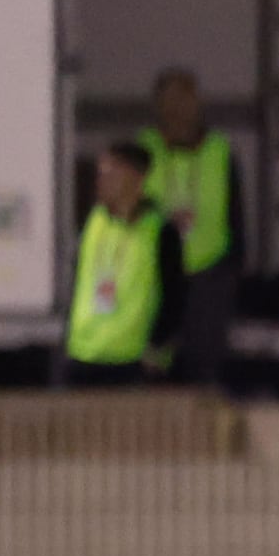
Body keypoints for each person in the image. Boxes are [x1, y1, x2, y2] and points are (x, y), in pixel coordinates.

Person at [143, 66, 244, 389]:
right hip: (156, 278)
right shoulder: (144, 150)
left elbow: (237, 221)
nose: (177, 112)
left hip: (209, 280)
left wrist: (232, 273)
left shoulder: (220, 152)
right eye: (169, 103)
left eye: (184, 101)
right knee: (153, 376)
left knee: (202, 376)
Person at [57, 139, 176, 389]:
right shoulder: (94, 221)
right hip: (83, 355)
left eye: (111, 173)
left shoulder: (159, 230)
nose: (102, 182)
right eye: (100, 174)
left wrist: (156, 348)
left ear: (136, 178)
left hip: (130, 361)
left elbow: (175, 296)